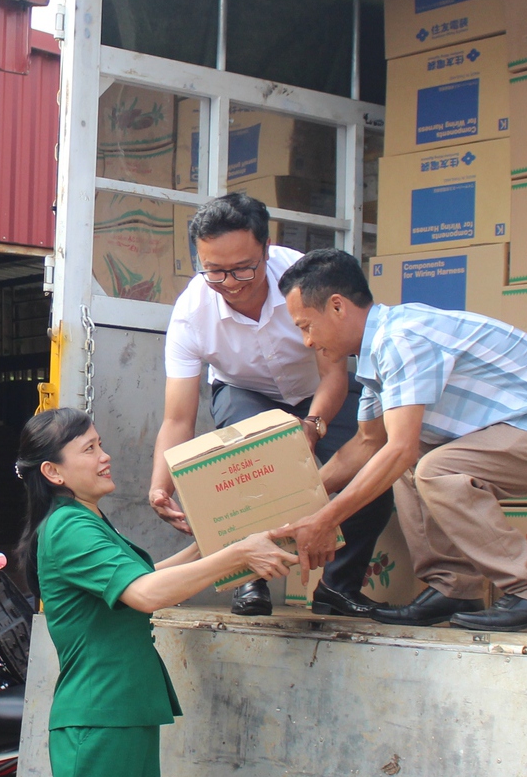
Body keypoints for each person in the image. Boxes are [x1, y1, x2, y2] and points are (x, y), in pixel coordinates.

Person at [273, 249, 527, 633]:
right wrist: (291, 507)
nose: (306, 341)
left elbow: (398, 449)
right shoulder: (376, 355)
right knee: (411, 460)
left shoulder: (400, 340)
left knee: (431, 466)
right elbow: (367, 445)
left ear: (337, 307)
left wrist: (325, 520)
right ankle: (453, 586)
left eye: (306, 326)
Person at [16, 408, 296, 777]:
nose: (105, 456)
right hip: (101, 717)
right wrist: (239, 554)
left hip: (119, 713)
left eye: (101, 444)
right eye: (89, 449)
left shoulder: (84, 519)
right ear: (53, 472)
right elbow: (146, 594)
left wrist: (214, 542)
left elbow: (144, 580)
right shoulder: (69, 527)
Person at [149, 193, 393, 618]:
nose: (232, 283)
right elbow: (177, 416)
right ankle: (248, 578)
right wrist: (160, 484)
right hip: (245, 391)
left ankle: (338, 587)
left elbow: (334, 375)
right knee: (251, 465)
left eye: (244, 267)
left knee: (374, 474)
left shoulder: (303, 282)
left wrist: (313, 425)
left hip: (316, 392)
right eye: (216, 272)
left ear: (266, 248)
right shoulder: (191, 313)